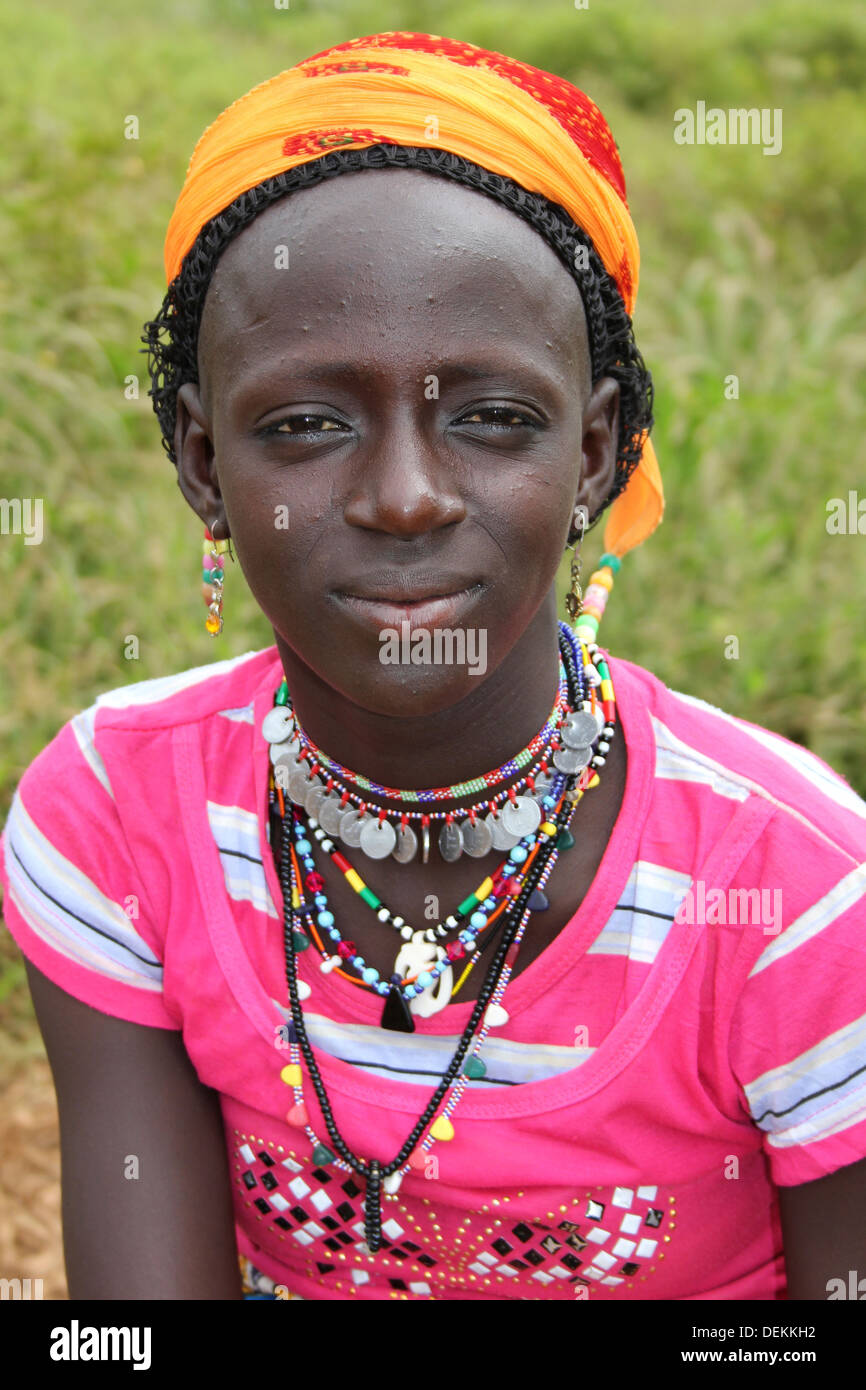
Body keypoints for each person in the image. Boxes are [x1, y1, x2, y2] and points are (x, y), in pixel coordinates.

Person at [2, 30, 865, 1303]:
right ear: (200, 465)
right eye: (306, 423)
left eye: (490, 419)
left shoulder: (796, 895)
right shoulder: (116, 821)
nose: (404, 498)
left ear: (594, 454)